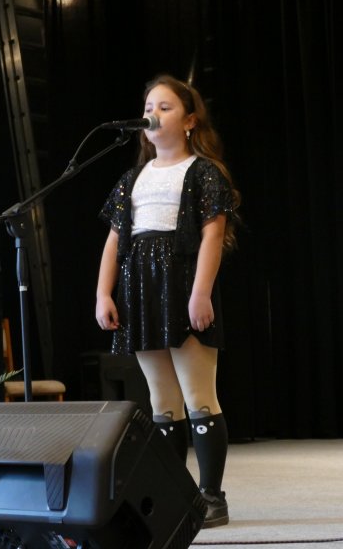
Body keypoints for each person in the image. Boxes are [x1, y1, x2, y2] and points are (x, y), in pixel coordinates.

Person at [95, 74, 240, 528]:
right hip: (140, 291)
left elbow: (212, 235)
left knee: (199, 396)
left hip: (183, 286)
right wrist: (103, 292)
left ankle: (211, 495)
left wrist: (200, 292)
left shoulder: (203, 172)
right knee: (161, 401)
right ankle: (177, 494)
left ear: (190, 120)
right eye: (148, 108)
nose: (153, 114)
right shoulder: (132, 178)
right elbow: (115, 240)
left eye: (165, 107)